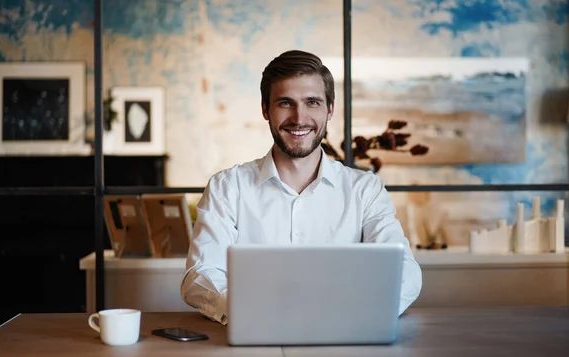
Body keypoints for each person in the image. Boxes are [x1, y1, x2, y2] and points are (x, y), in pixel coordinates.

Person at [180, 50, 422, 325]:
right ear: (265, 109)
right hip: (253, 344)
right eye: (285, 103)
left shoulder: (365, 190)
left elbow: (406, 273)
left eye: (312, 103)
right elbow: (199, 276)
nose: (299, 117)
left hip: (347, 344)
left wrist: (352, 313)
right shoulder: (227, 188)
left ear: (330, 109)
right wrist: (251, 312)